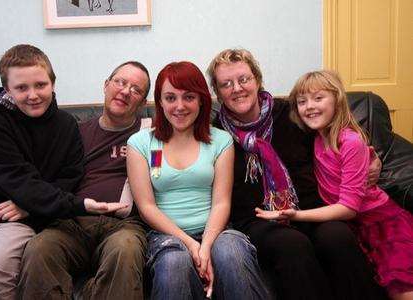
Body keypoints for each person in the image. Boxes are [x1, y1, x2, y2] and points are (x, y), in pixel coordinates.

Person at [207, 48, 388, 300]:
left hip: (311, 210)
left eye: (243, 79)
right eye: (226, 84)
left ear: (257, 80)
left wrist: (372, 156)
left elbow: (334, 132)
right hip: (258, 220)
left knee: (337, 236)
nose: (237, 88)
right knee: (292, 245)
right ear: (218, 93)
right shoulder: (217, 135)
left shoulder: (290, 114)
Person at [0, 44, 116, 300]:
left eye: (40, 85)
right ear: (8, 90)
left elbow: (70, 177)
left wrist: (31, 207)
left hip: (22, 219)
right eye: (21, 88)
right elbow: (16, 179)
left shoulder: (67, 126)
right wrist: (74, 204)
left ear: (53, 84)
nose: (33, 95)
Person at [257, 70, 413, 300]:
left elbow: (349, 207)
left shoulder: (350, 141)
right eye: (302, 102)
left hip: (379, 221)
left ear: (337, 100)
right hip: (353, 226)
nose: (309, 106)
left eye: (318, 98)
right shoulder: (315, 136)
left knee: (400, 287)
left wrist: (296, 215)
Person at [127, 61, 272, 300]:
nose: (180, 106)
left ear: (202, 100)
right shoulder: (141, 143)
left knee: (231, 253)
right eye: (170, 98)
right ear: (160, 102)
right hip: (166, 238)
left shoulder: (220, 141)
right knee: (174, 262)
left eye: (189, 97)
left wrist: (205, 245)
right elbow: (146, 207)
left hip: (217, 232)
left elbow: (221, 202)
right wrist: (191, 245)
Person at [18, 61, 151, 299]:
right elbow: (38, 171)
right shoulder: (74, 131)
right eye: (120, 82)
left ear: (142, 103)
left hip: (124, 225)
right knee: (39, 248)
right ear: (106, 85)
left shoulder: (150, 134)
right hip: (72, 223)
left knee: (126, 249)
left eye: (136, 89)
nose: (125, 91)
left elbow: (164, 170)